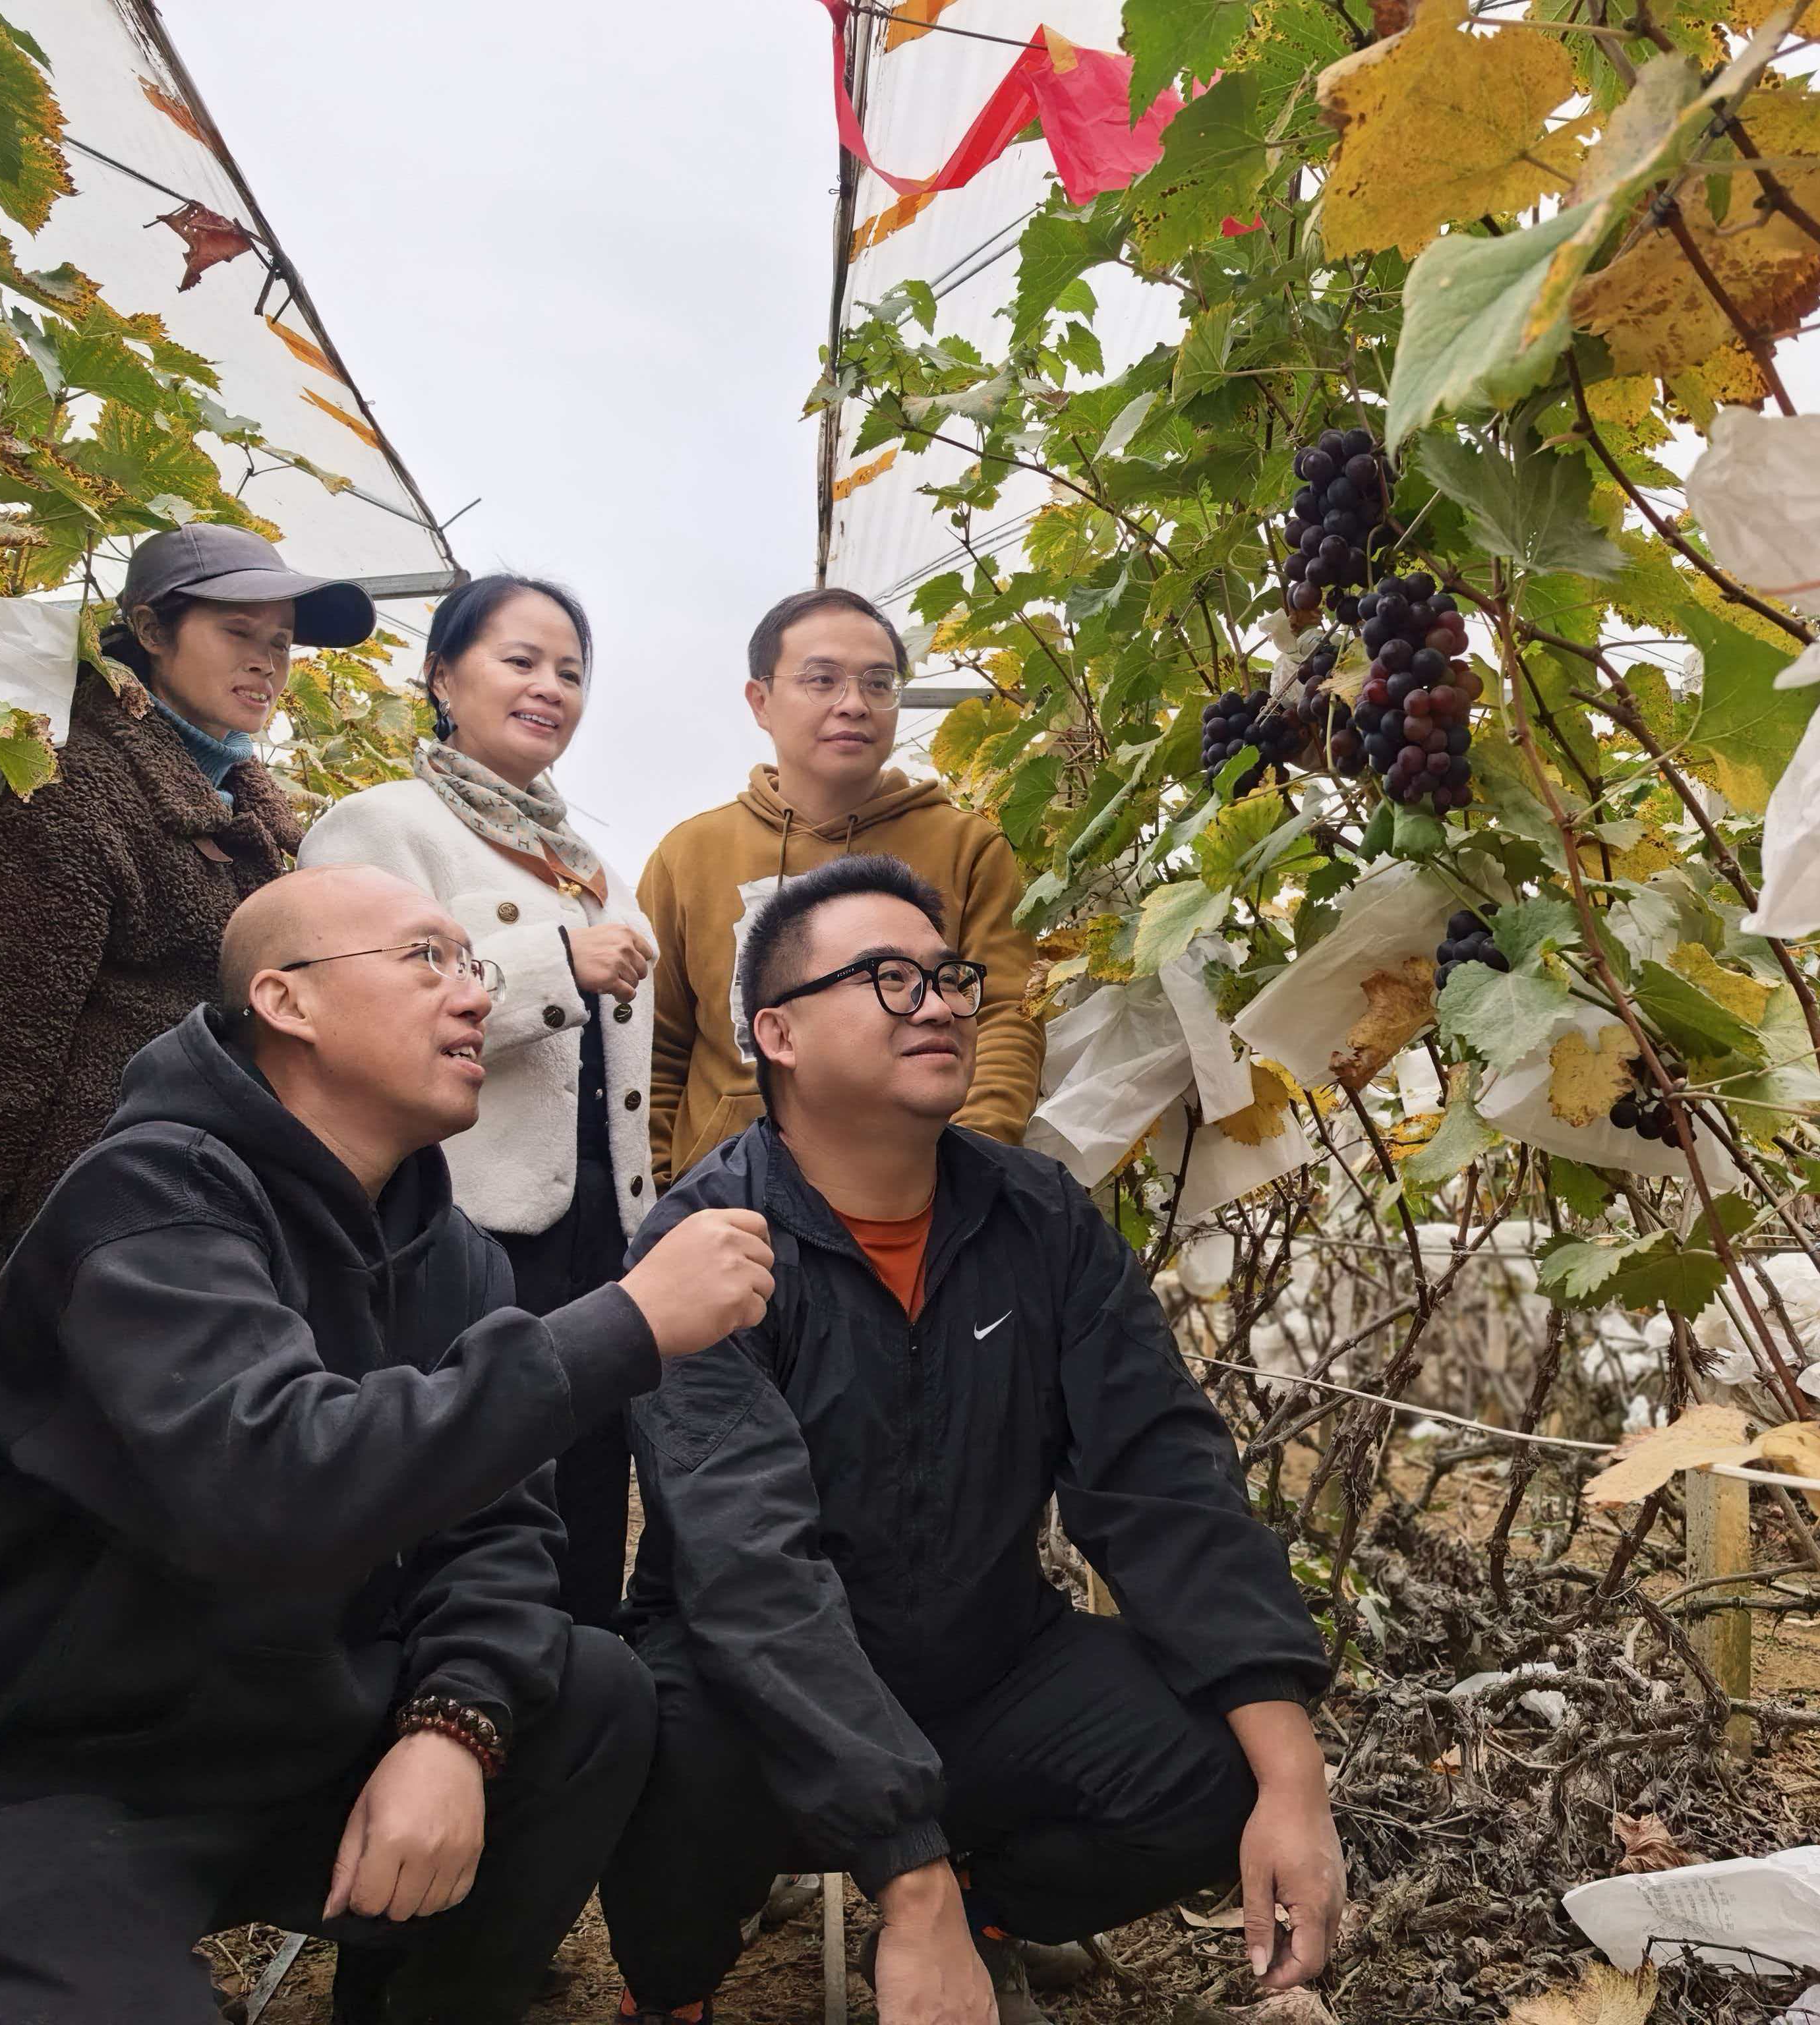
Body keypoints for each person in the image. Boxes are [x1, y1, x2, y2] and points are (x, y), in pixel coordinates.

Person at [0, 864, 776, 2025]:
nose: (473, 995)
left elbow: (497, 1533)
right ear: (287, 1001)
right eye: (426, 958)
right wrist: (624, 1324)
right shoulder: (149, 1197)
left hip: (267, 1758)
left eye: (472, 965)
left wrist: (453, 1724)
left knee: (590, 1694)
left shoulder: (455, 1257)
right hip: (1, 1793)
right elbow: (273, 1484)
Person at [602, 855, 1343, 2025]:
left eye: (950, 978)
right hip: (757, 1695)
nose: (941, 1004)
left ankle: (988, 1919)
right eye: (888, 979)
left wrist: (1294, 1776)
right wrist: (910, 1874)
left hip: (978, 1664)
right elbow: (752, 1572)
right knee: (655, 1727)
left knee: (1219, 1766)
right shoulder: (704, 1246)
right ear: (777, 1034)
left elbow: (1160, 1477)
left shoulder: (1039, 1218)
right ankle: (676, 1991)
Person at [0, 522, 377, 1415]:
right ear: (151, 630)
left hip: (203, 1215)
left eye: (281, 643)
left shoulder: (238, 803)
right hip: (95, 1226)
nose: (266, 662)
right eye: (237, 632)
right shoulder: (76, 798)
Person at [298, 575, 656, 1630]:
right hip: (458, 1232)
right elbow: (354, 1012)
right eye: (520, 661)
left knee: (583, 1499)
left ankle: (567, 1694)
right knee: (466, 1494)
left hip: (597, 1236)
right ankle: (451, 1698)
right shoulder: (380, 827)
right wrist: (557, 965)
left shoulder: (594, 869)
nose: (550, 688)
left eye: (571, 672)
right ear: (443, 678)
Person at [637, 589, 1043, 1187]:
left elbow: (1004, 1014)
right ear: (761, 701)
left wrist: (974, 1161)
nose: (854, 704)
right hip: (726, 1201)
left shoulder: (968, 848)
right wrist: (662, 1192)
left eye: (878, 684)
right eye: (822, 680)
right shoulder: (689, 855)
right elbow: (654, 1047)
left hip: (917, 1195)